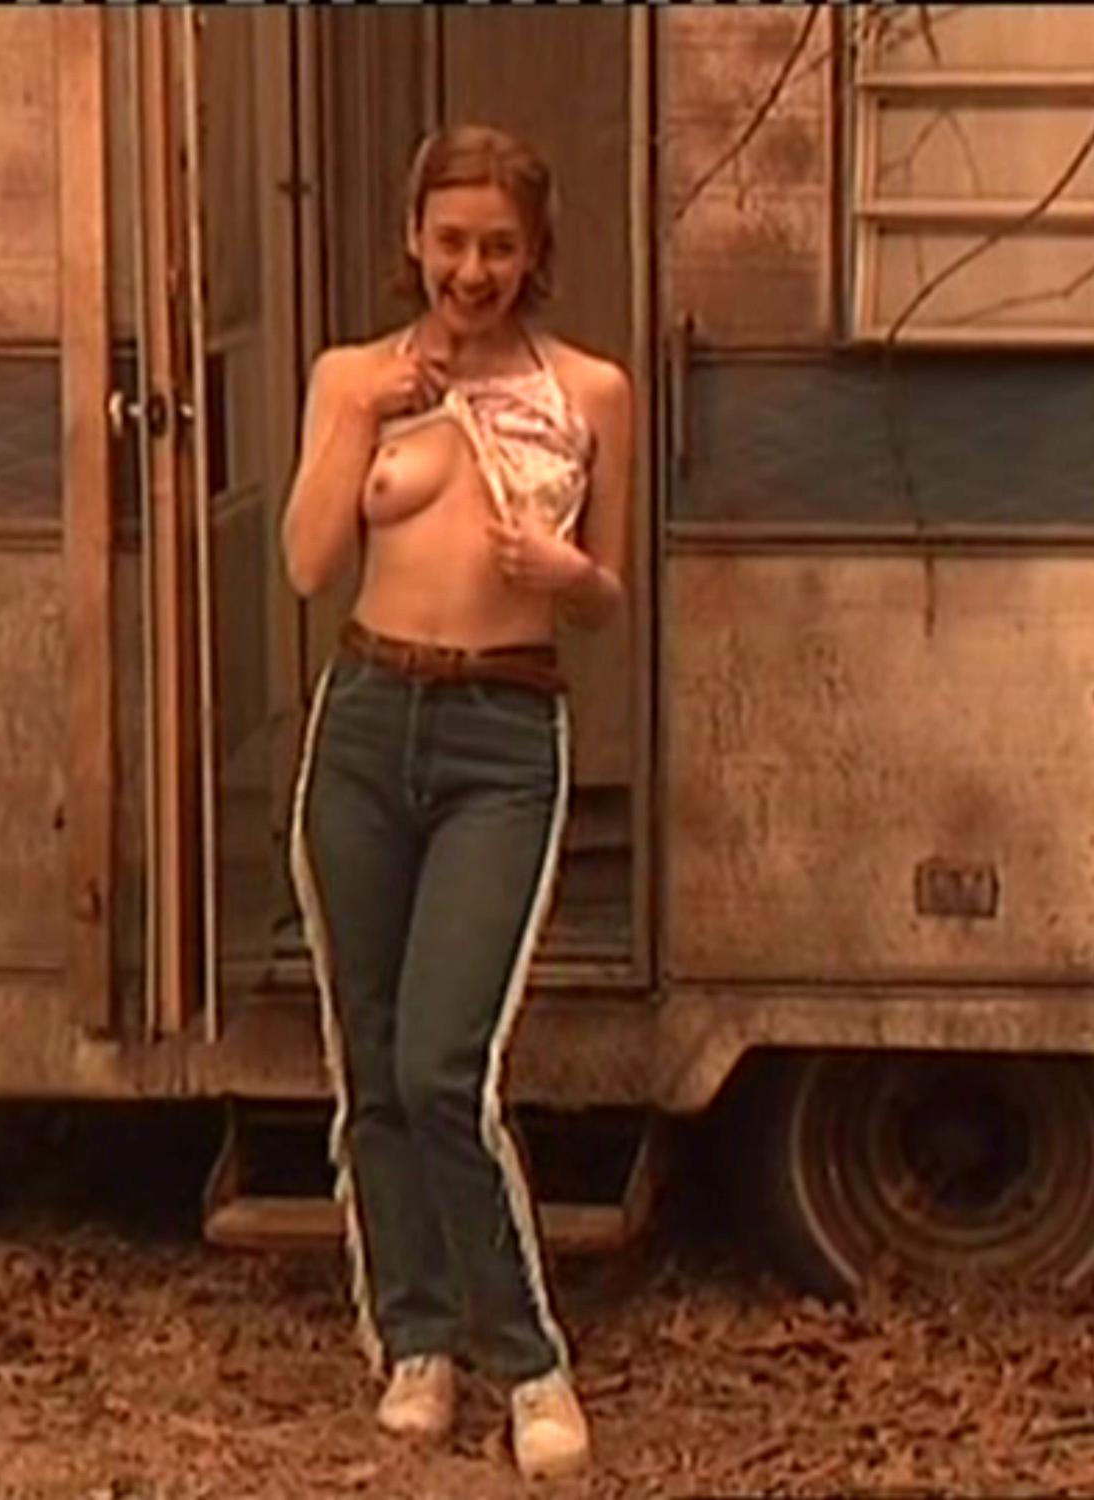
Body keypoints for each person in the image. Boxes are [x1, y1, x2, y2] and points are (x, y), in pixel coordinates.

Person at [279, 124, 631, 1480]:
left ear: (533, 254)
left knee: (444, 1065)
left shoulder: (589, 390)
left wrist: (568, 571)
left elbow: (607, 598)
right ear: (412, 239)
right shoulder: (350, 376)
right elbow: (309, 561)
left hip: (503, 731)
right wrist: (362, 414)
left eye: (499, 246)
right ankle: (415, 1341)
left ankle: (530, 1363)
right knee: (370, 1062)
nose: (471, 270)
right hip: (367, 722)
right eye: (450, 241)